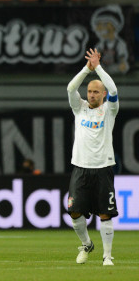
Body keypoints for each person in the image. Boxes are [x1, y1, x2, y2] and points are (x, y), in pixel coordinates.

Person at [67, 48, 119, 266]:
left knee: (105, 215)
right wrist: (86, 70)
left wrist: (97, 67)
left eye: (96, 92)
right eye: (89, 91)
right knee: (74, 211)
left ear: (103, 94)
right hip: (80, 167)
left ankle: (107, 255)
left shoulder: (109, 110)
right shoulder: (79, 109)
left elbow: (114, 89)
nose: (92, 94)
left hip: (103, 167)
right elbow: (71, 88)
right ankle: (87, 244)